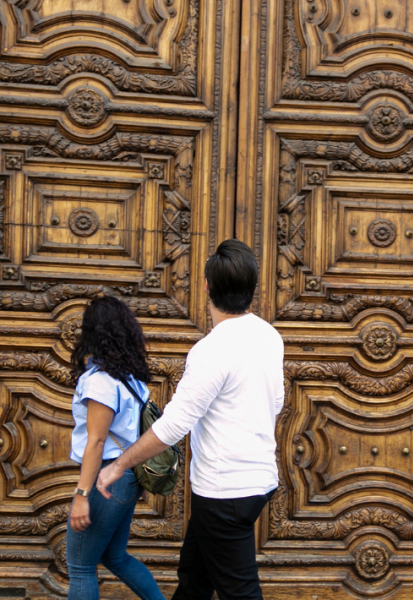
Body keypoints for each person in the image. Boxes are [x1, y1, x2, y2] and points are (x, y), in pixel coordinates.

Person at [97, 239, 285, 600]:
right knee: (194, 581)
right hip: (257, 481)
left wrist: (118, 465)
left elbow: (172, 427)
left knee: (240, 592)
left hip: (224, 492)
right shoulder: (269, 337)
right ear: (252, 290)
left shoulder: (211, 351)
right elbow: (275, 402)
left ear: (206, 286)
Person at [65, 296, 166, 600]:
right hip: (126, 478)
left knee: (81, 567)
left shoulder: (101, 382)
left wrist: (82, 496)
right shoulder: (131, 379)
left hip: (106, 480)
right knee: (115, 557)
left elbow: (96, 442)